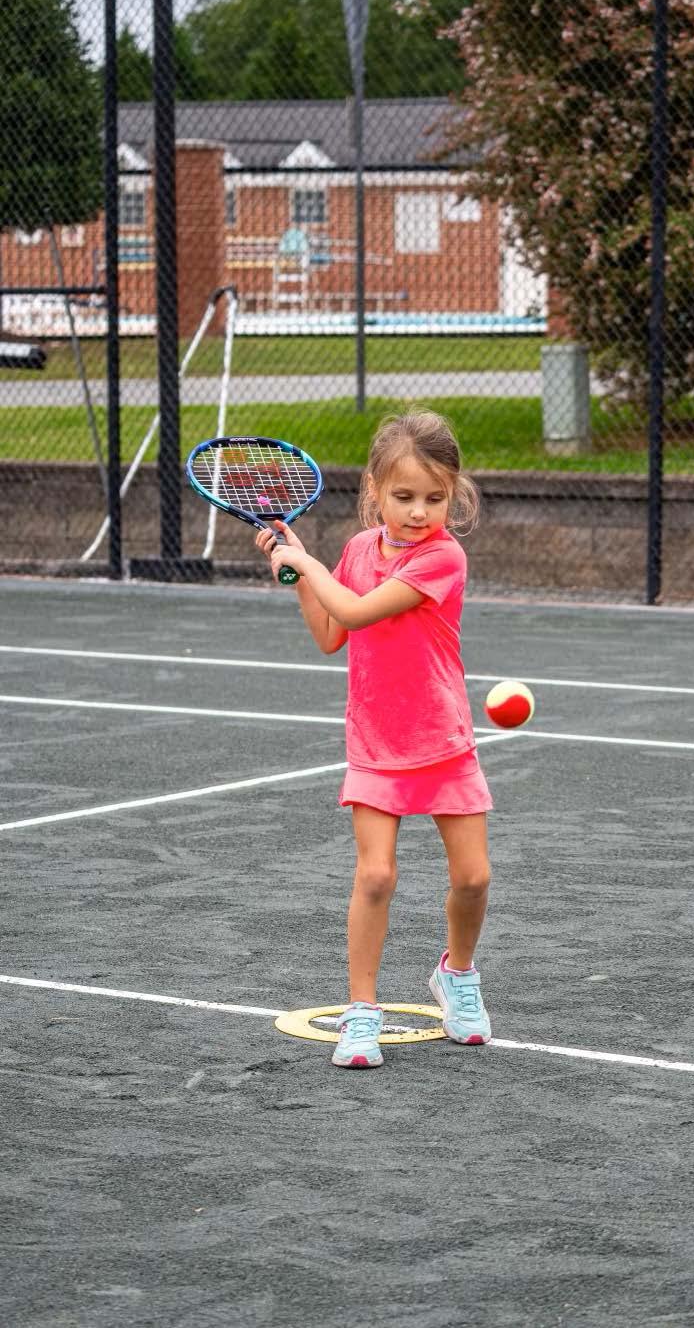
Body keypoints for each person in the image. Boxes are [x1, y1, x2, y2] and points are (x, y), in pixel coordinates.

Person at [255, 409, 493, 1069]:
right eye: (404, 496)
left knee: (473, 877)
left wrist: (306, 563)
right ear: (374, 489)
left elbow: (358, 610)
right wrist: (298, 575)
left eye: (434, 498)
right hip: (376, 743)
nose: (419, 512)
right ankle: (361, 1011)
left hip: (442, 741)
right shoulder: (359, 550)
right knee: (376, 875)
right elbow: (331, 633)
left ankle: (457, 975)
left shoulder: (443, 556)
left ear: (453, 494)